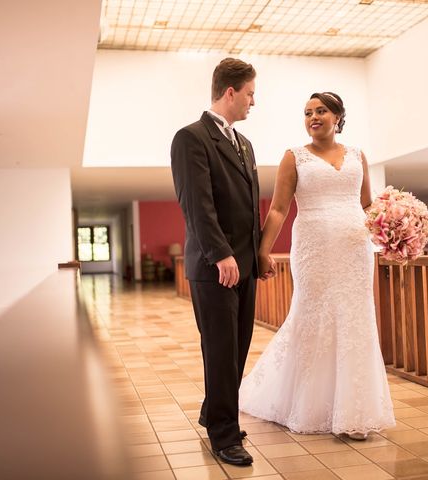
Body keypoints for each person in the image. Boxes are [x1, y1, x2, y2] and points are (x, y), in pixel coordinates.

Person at [239, 92, 396, 439]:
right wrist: (263, 251)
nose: (313, 117)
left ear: (338, 116)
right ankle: (305, 402)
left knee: (355, 318)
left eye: (321, 111)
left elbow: (367, 204)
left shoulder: (358, 155)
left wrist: (394, 229)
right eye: (308, 112)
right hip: (313, 248)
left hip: (355, 250)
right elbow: (279, 209)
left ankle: (354, 410)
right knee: (314, 315)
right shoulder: (293, 157)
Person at [170, 58, 260, 466]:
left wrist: (256, 255)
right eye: (250, 94)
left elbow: (248, 209)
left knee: (238, 349)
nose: (252, 103)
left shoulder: (244, 144)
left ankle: (213, 410)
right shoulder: (190, 138)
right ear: (230, 92)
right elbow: (197, 206)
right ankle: (223, 435)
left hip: (244, 266)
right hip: (215, 267)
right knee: (221, 351)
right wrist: (221, 253)